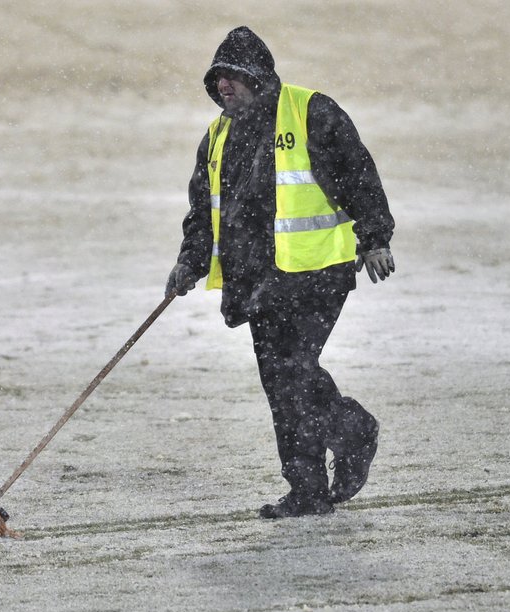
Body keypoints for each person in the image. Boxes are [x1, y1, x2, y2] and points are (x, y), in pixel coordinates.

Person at [166, 26, 396, 519]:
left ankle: (352, 432)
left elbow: (358, 170)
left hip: (316, 271)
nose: (223, 87)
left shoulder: (310, 110)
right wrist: (190, 261)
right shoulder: (216, 137)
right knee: (282, 382)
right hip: (257, 282)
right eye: (217, 79)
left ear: (258, 77)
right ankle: (309, 489)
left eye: (232, 77)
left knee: (292, 373)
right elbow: (202, 211)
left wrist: (375, 237)